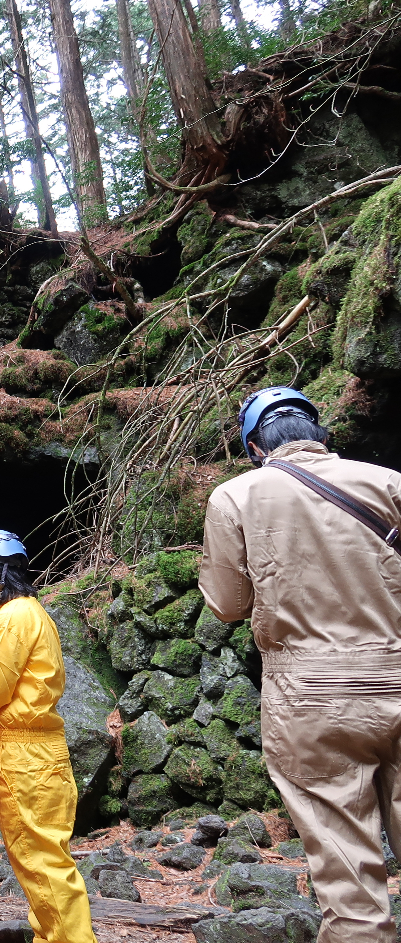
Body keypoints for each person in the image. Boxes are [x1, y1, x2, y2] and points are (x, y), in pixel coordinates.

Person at [200, 386, 401, 943]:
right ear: (322, 434)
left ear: (254, 447)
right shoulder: (389, 483)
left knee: (351, 886)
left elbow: (227, 604)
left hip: (309, 698)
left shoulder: (235, 496)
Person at [0, 530, 96, 943]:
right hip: (41, 750)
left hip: (21, 756)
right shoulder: (34, 611)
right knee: (47, 860)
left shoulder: (11, 618)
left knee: (40, 864)